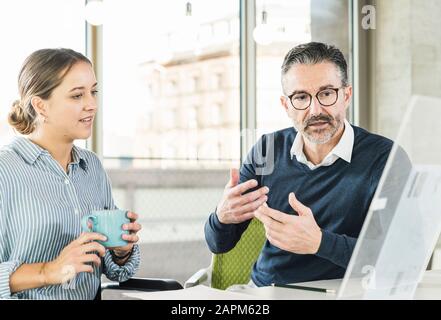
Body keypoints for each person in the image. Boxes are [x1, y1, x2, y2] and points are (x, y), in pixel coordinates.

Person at [205, 42, 395, 287]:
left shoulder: (384, 157)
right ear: (286, 105)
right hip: (265, 291)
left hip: (342, 292)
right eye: (301, 97)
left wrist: (320, 243)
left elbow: (403, 255)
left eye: (327, 93)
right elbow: (218, 244)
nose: (315, 110)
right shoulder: (267, 150)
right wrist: (222, 217)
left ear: (346, 95)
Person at [0, 48, 142, 299]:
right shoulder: (5, 170)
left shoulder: (92, 167)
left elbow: (116, 270)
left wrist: (121, 251)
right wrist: (48, 271)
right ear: (40, 105)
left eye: (93, 92)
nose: (92, 104)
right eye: (77, 95)